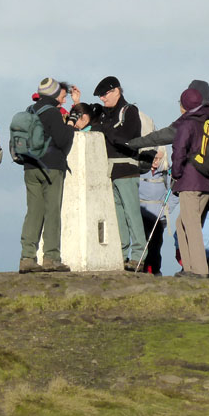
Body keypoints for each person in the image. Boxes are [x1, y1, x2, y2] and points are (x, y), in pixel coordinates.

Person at [127, 80, 209, 278]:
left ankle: (195, 269)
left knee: (190, 222)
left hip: (198, 177)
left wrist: (135, 144)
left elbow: (165, 137)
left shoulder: (190, 119)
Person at [18, 77, 76, 273]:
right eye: (61, 94)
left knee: (33, 211)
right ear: (53, 94)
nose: (63, 97)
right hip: (51, 167)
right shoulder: (52, 113)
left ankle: (27, 257)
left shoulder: (29, 111)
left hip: (30, 166)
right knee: (52, 212)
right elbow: (61, 140)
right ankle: (51, 258)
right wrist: (70, 125)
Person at [92, 76, 147, 271]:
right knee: (118, 217)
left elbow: (126, 137)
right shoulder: (106, 115)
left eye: (104, 94)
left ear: (116, 91)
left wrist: (106, 130)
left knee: (132, 214)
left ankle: (139, 255)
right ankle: (122, 255)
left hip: (126, 170)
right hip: (110, 171)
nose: (102, 99)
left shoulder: (129, 111)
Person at [171, 88, 209, 277]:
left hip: (190, 181)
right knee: (182, 223)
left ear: (184, 105)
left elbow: (178, 150)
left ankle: (199, 270)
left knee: (191, 224)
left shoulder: (187, 124)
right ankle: (188, 268)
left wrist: (176, 174)